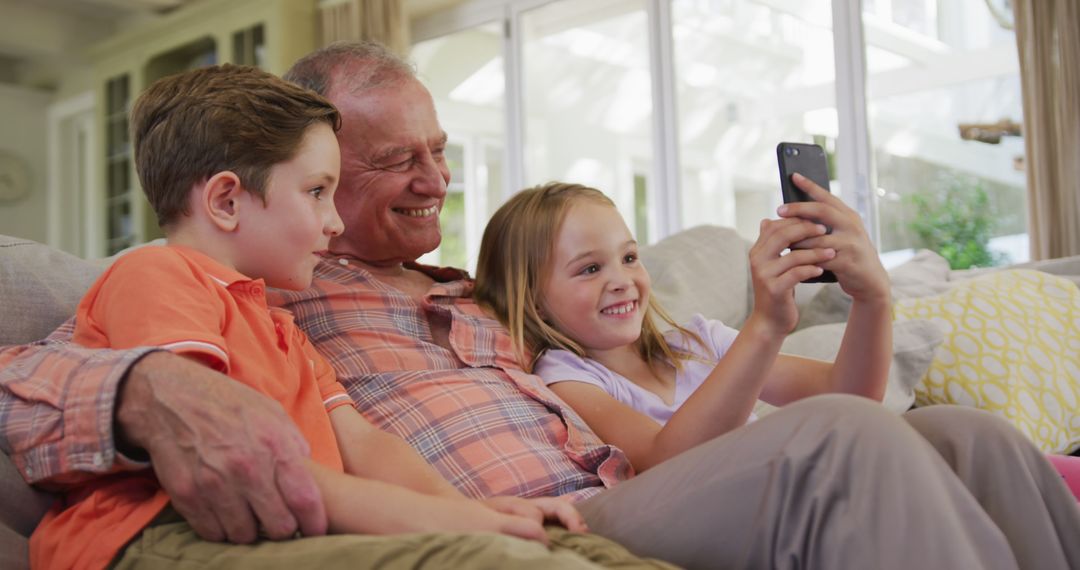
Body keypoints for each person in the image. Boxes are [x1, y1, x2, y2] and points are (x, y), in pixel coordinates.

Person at [2, 40, 1079, 569]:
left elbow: (634, 352)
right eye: (385, 165)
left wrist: (855, 297)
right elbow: (52, 359)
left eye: (442, 155)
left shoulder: (492, 294)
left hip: (613, 485)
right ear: (295, 172)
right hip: (560, 519)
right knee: (840, 441)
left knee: (964, 432)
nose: (434, 184)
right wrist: (145, 387)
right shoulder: (274, 289)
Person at [22, 64, 672, 570]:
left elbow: (366, 448)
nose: (334, 222)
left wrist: (472, 509)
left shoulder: (280, 327)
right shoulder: (156, 277)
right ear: (225, 199)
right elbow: (240, 459)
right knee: (493, 559)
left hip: (278, 528)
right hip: (159, 537)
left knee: (591, 555)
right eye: (317, 193)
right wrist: (465, 525)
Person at [473, 181, 890, 471]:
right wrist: (764, 326)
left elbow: (850, 395)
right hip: (751, 513)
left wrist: (872, 298)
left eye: (630, 258)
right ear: (534, 303)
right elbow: (667, 462)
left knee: (947, 428)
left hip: (796, 479)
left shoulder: (698, 341)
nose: (621, 280)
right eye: (590, 268)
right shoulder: (569, 379)